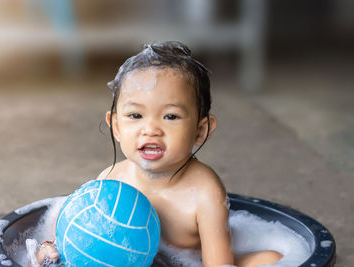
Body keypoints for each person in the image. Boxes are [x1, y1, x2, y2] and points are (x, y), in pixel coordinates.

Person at [35, 41, 282, 267]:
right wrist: (49, 250)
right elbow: (80, 234)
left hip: (190, 263)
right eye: (135, 115)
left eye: (170, 116)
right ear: (117, 127)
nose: (151, 129)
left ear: (200, 130)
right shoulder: (112, 179)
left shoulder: (204, 192)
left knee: (274, 260)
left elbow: (218, 263)